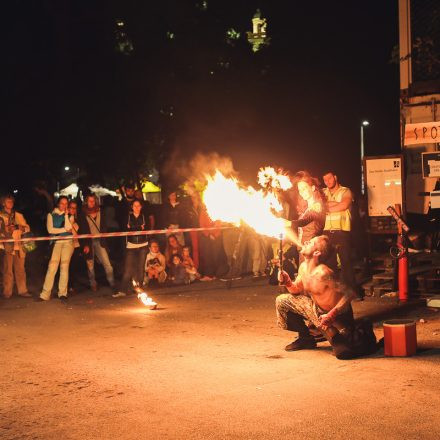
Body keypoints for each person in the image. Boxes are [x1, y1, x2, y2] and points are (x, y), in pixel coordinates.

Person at [275, 235, 376, 359]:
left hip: (336, 317)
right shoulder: (303, 268)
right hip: (317, 313)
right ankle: (306, 338)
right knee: (282, 301)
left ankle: (356, 332)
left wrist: (331, 314)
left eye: (311, 242)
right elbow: (296, 290)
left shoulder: (324, 273)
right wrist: (287, 282)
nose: (306, 242)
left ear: (317, 252)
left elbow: (350, 293)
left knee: (343, 352)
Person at [322, 171, 358, 296]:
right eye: (325, 180)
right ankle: (334, 293)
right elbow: (318, 207)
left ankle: (352, 292)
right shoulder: (322, 192)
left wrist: (327, 207)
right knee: (329, 264)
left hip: (342, 231)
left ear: (335, 177)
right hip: (327, 232)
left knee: (346, 262)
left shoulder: (345, 191)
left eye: (329, 178)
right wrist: (334, 205)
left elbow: (344, 205)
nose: (327, 182)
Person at [39, 196, 77, 302]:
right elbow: (50, 230)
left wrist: (65, 216)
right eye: (62, 203)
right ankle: (45, 294)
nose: (64, 206)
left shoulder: (70, 215)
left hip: (68, 243)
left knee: (64, 267)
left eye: (66, 204)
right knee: (52, 267)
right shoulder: (50, 215)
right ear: (58, 204)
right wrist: (64, 229)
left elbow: (69, 228)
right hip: (56, 243)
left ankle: (62, 294)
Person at [79, 194, 115, 292]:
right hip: (89, 241)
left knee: (107, 264)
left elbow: (104, 225)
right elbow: (82, 229)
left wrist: (104, 236)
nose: (91, 203)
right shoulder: (83, 213)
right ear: (86, 202)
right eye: (89, 201)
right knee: (90, 264)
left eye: (93, 201)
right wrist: (85, 244)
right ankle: (93, 283)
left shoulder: (100, 211)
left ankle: (112, 283)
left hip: (100, 240)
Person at [114, 200, 149, 298]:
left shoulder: (144, 217)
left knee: (140, 268)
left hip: (143, 245)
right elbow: (125, 230)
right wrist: (137, 228)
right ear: (132, 207)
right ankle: (122, 290)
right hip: (131, 245)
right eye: (135, 206)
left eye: (138, 206)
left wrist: (134, 228)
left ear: (141, 207)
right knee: (128, 269)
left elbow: (147, 229)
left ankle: (140, 289)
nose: (137, 207)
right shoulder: (127, 217)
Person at [0, 195, 31, 298]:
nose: (10, 203)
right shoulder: (0, 216)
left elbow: (27, 228)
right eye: (8, 201)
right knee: (7, 269)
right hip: (7, 245)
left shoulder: (18, 215)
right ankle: (7, 292)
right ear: (3, 203)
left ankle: (22, 290)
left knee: (20, 269)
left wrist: (18, 227)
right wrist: (6, 231)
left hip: (19, 245)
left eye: (12, 201)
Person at [292, 171, 326, 262]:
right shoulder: (308, 208)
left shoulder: (317, 205)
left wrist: (287, 223)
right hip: (304, 249)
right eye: (300, 190)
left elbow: (304, 221)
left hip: (311, 250)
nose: (301, 192)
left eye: (304, 188)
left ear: (313, 188)